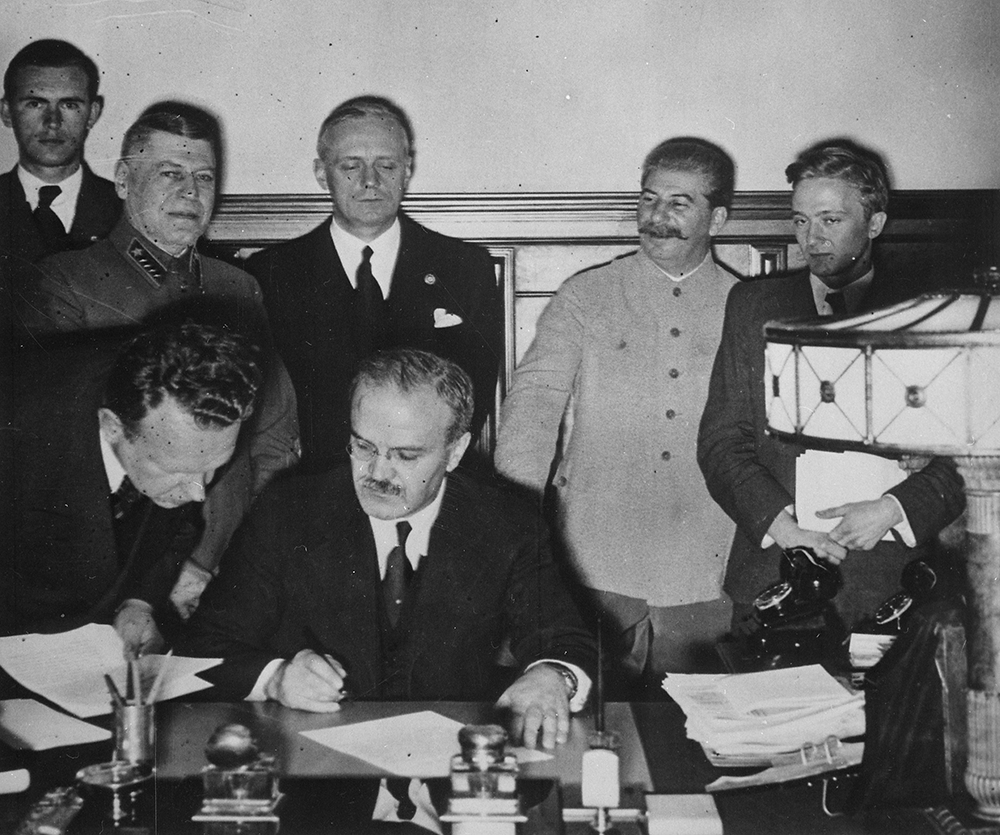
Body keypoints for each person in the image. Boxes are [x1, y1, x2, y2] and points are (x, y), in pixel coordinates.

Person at [183, 349, 595, 752]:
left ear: (455, 452)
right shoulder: (288, 511)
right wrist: (275, 678)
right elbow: (205, 645)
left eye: (406, 455)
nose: (377, 473)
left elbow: (563, 635)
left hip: (451, 765)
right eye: (364, 447)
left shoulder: (504, 520)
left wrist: (553, 675)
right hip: (319, 770)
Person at [16, 102, 300, 618]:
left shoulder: (238, 289)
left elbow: (274, 441)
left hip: (225, 570)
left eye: (204, 177)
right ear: (123, 180)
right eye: (170, 173)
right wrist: (156, 574)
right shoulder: (67, 281)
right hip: (113, 581)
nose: (191, 192)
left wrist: (214, 557)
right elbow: (64, 451)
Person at [495, 138, 738, 680]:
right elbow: (532, 410)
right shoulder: (586, 296)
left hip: (707, 560)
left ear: (716, 218)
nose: (657, 217)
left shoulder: (743, 306)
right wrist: (515, 521)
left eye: (680, 204)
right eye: (649, 199)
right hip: (595, 556)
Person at [697, 139, 965, 631]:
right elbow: (720, 443)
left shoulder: (934, 310)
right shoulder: (753, 306)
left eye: (831, 220)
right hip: (774, 576)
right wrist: (784, 528)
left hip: (896, 583)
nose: (811, 237)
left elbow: (976, 453)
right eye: (801, 220)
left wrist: (895, 508)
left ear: (875, 224)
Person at [246, 95, 501, 473]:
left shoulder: (465, 269)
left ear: (407, 171)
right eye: (351, 166)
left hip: (428, 486)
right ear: (321, 174)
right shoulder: (269, 275)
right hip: (310, 492)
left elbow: (471, 400)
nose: (370, 181)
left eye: (386, 165)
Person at [2, 321, 260, 658]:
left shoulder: (196, 422)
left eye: (211, 469)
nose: (199, 493)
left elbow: (173, 524)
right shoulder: (19, 436)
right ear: (112, 427)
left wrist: (138, 601)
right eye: (179, 471)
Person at [0, 39, 120, 267]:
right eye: (35, 104)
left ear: (93, 114)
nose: (53, 122)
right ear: (7, 112)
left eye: (69, 105)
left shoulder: (127, 211)